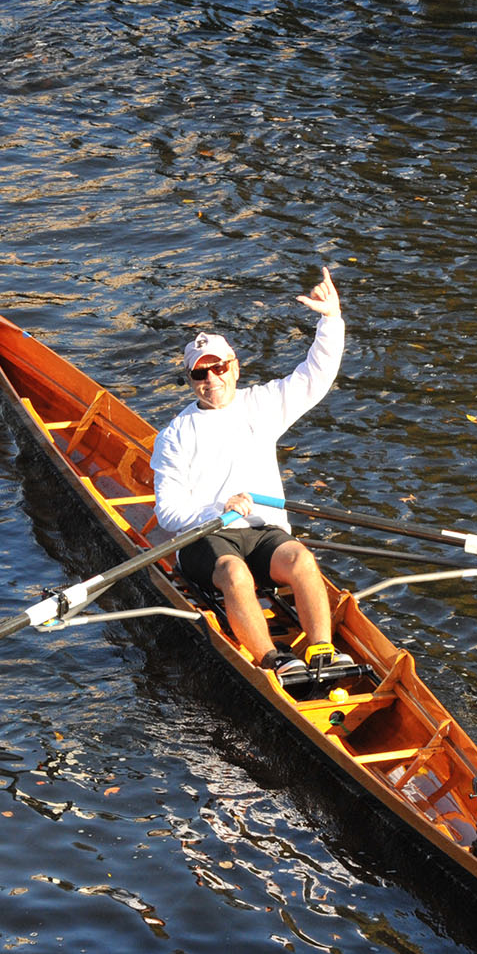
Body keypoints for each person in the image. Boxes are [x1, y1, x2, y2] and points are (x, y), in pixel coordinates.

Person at [151, 267, 352, 679]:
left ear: (235, 368)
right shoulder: (174, 435)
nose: (211, 380)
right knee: (234, 572)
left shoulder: (262, 404)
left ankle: (322, 652)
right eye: (199, 373)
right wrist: (216, 509)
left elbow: (315, 376)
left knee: (301, 558)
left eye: (219, 368)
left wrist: (330, 321)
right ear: (191, 381)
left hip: (262, 532)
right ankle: (271, 661)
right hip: (205, 538)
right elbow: (169, 514)